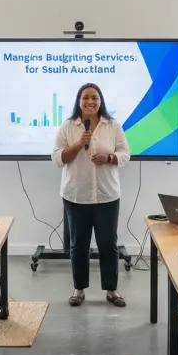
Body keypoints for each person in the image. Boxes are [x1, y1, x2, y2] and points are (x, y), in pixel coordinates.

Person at [52, 83, 130, 308]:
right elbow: (58, 159)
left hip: (107, 195)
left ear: (100, 101)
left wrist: (110, 158)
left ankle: (112, 291)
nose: (90, 102)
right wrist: (78, 145)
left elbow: (126, 153)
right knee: (79, 245)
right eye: (85, 98)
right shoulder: (68, 126)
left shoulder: (112, 125)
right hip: (76, 195)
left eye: (94, 98)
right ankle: (79, 290)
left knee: (108, 244)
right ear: (79, 101)